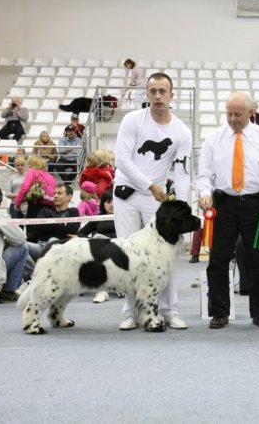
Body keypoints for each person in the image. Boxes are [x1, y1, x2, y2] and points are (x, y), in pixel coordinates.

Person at [197, 91, 259, 330]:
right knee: (217, 260)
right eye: (229, 114)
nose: (233, 119)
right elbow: (204, 174)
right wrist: (204, 193)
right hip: (222, 204)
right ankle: (219, 312)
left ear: (250, 112)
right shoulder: (214, 138)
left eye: (238, 114)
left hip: (256, 205)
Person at [113, 72, 192, 331]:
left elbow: (181, 173)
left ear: (172, 95)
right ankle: (130, 313)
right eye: (153, 91)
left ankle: (170, 311)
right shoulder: (132, 120)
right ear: (147, 94)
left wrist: (182, 209)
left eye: (163, 91)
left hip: (154, 201)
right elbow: (122, 159)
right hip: (126, 194)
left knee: (164, 257)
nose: (158, 96)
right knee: (128, 256)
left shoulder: (182, 131)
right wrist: (149, 185)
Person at [77, 188, 119, 304]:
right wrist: (90, 241)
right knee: (95, 241)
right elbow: (80, 233)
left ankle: (104, 290)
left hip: (119, 248)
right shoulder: (98, 217)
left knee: (97, 240)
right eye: (108, 202)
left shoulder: (124, 216)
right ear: (103, 203)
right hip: (100, 248)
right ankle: (103, 291)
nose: (112, 205)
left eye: (114, 201)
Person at [26, 183, 80, 260]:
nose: (55, 196)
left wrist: (48, 225)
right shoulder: (45, 210)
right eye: (54, 193)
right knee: (19, 245)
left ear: (69, 196)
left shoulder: (73, 211)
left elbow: (72, 230)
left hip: (61, 248)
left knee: (53, 240)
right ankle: (33, 270)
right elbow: (37, 226)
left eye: (59, 193)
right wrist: (61, 225)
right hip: (41, 245)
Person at [13, 154, 56, 219]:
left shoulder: (32, 171)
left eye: (29, 164)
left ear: (32, 164)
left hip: (36, 204)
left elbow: (24, 187)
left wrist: (17, 202)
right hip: (50, 206)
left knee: (32, 227)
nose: (28, 166)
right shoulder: (51, 176)